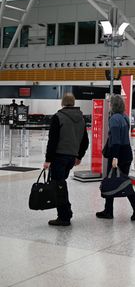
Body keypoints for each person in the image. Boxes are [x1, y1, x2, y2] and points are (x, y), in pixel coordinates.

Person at [96, 95, 135, 221]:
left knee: (115, 181)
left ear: (113, 105)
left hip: (118, 154)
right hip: (127, 152)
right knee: (121, 181)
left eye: (110, 104)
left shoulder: (114, 119)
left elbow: (116, 140)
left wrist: (115, 157)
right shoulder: (125, 117)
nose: (110, 106)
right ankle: (109, 209)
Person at [44, 93, 89, 226]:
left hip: (59, 157)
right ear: (74, 103)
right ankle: (66, 213)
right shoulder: (81, 118)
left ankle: (64, 216)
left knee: (59, 186)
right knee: (61, 184)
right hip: (71, 158)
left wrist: (48, 159)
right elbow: (85, 141)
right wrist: (79, 156)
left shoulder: (58, 117)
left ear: (62, 103)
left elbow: (52, 141)